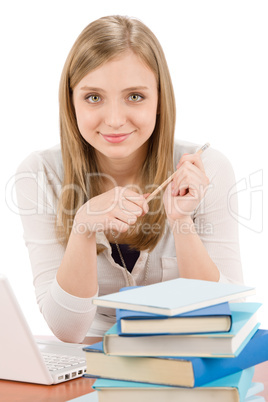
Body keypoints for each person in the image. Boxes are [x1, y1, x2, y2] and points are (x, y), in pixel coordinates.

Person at [15, 15, 243, 343]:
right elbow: (66, 330)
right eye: (93, 97)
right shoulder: (38, 175)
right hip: (91, 362)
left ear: (160, 99)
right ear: (71, 102)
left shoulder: (207, 170)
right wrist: (82, 228)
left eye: (134, 96)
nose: (115, 120)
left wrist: (180, 221)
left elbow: (227, 315)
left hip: (185, 357)